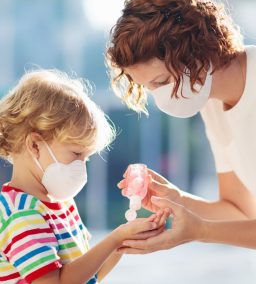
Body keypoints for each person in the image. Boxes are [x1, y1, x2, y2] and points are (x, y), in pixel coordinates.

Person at [106, 0, 256, 254]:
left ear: (197, 52)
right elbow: (242, 214)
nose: (161, 99)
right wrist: (176, 200)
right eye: (150, 88)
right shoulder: (212, 102)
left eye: (161, 81)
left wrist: (201, 231)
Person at [0, 69, 169, 283]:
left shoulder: (62, 204)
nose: (81, 167)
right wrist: (115, 237)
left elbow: (89, 276)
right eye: (75, 153)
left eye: (86, 158)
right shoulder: (22, 214)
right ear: (34, 145)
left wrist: (122, 242)